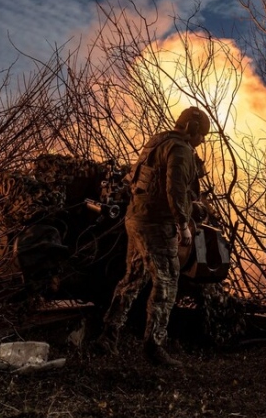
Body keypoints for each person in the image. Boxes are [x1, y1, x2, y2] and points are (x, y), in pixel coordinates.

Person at [94, 107, 211, 367]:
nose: (202, 140)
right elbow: (175, 189)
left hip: (136, 219)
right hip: (157, 224)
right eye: (201, 134)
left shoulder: (158, 141)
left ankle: (108, 335)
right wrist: (183, 224)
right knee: (167, 282)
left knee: (133, 278)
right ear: (191, 129)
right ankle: (154, 346)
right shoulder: (179, 149)